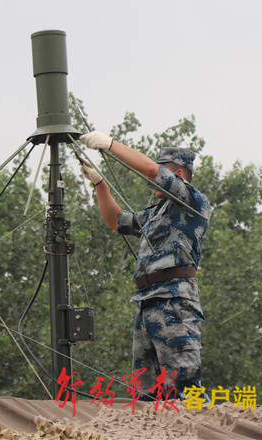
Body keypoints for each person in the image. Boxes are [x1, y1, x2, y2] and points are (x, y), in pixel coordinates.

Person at [78, 131, 211, 401]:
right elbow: (115, 220)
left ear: (179, 175)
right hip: (147, 302)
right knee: (146, 394)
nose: (154, 179)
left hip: (175, 301)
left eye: (164, 171)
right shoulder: (156, 213)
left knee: (184, 389)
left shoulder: (192, 202)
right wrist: (100, 183)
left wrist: (111, 145)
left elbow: (149, 169)